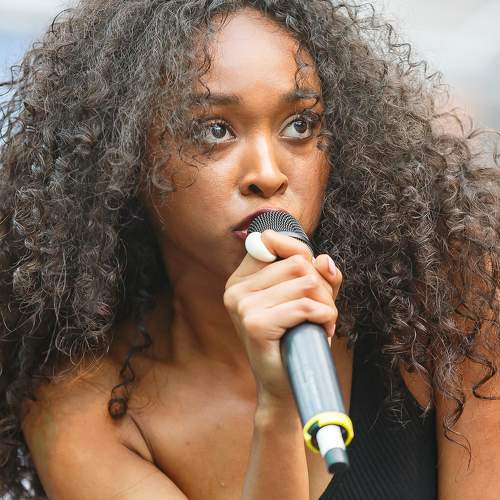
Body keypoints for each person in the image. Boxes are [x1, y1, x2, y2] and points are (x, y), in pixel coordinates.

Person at [0, 1, 498, 499]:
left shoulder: (446, 296)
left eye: (300, 125)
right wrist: (278, 405)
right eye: (214, 130)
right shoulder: (81, 406)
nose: (267, 173)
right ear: (125, 157)